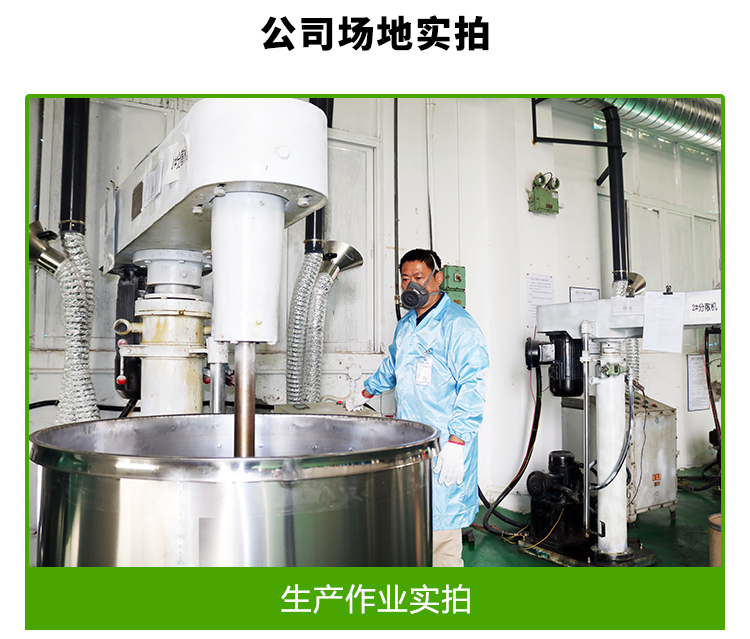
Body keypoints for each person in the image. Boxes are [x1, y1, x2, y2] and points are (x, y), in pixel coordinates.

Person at [346, 248, 489, 567]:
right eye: (405, 279)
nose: (411, 285)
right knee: (412, 525)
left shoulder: (459, 326)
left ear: (438, 278)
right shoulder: (407, 325)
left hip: (445, 444)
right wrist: (363, 393)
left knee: (441, 534)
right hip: (411, 440)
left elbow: (473, 386)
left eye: (419, 277)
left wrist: (458, 442)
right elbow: (392, 367)